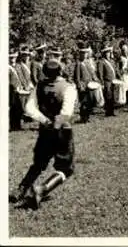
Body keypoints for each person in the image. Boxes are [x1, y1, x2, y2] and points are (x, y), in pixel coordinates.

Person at [9, 59, 78, 210]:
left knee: (38, 163)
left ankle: (21, 189)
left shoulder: (39, 86)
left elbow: (29, 108)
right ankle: (41, 189)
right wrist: (56, 124)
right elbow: (67, 112)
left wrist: (45, 121)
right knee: (66, 168)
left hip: (45, 131)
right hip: (62, 131)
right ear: (60, 71)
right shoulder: (68, 87)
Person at [97, 44, 117, 117]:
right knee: (108, 97)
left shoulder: (112, 61)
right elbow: (100, 74)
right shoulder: (101, 62)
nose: (108, 54)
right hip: (106, 81)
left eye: (109, 52)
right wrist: (102, 83)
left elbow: (115, 70)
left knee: (112, 97)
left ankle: (112, 111)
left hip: (113, 81)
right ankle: (108, 112)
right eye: (106, 52)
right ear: (104, 54)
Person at [73, 46, 92, 123]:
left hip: (88, 85)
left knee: (89, 102)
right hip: (82, 86)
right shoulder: (78, 63)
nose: (85, 55)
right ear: (80, 54)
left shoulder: (87, 63)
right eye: (83, 53)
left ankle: (87, 117)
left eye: (86, 53)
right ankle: (83, 118)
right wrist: (79, 85)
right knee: (83, 102)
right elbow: (77, 77)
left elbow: (90, 73)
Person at [9, 49, 24, 131]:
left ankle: (18, 125)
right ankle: (13, 126)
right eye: (11, 58)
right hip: (11, 90)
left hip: (18, 89)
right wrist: (14, 87)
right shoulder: (7, 67)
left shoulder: (17, 66)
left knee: (19, 108)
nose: (12, 59)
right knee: (13, 108)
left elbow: (20, 78)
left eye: (14, 58)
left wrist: (21, 86)